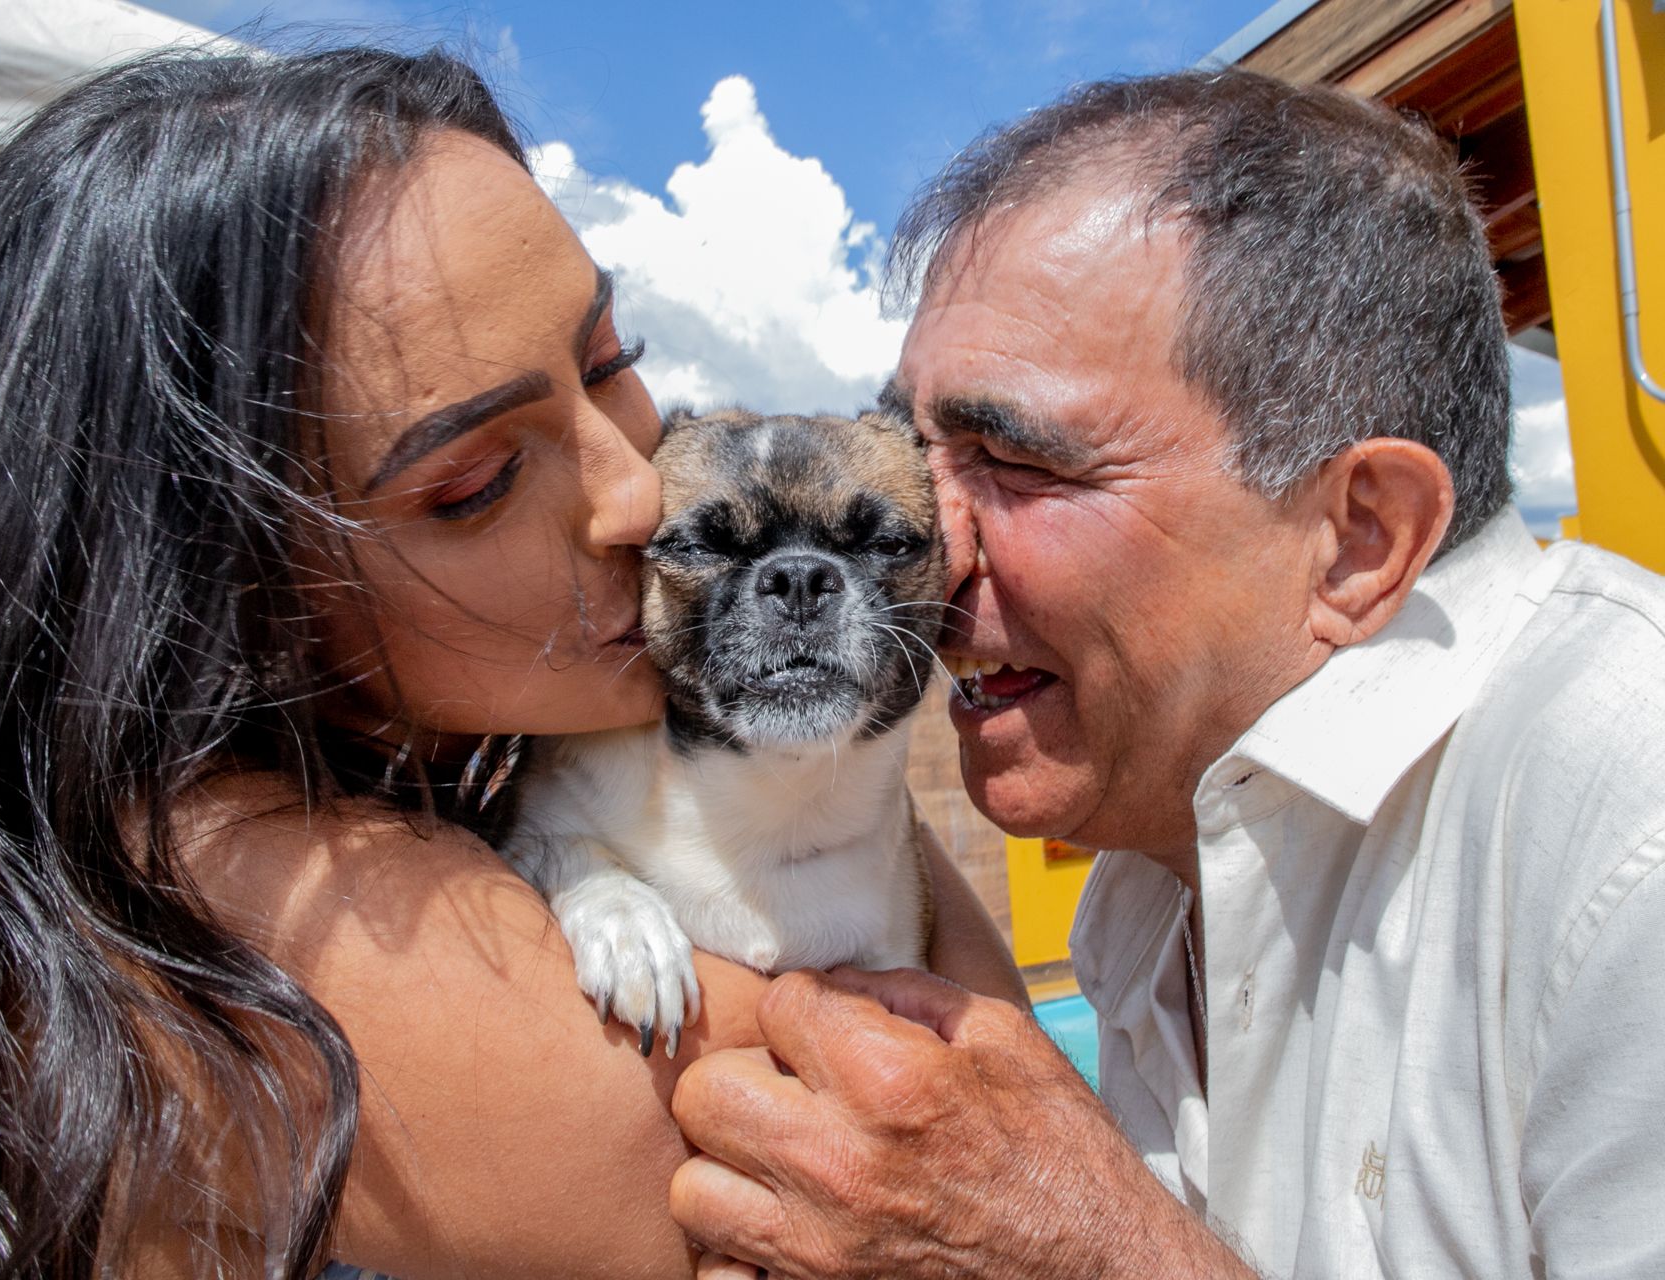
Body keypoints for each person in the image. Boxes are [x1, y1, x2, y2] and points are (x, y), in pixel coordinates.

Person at [0, 46, 1025, 1278]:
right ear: (230, 587)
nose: (639, 493)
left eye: (607, 363)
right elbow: (975, 1122)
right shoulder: (194, 894)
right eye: (472, 484)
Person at [672, 69, 1665, 1278]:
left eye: (1013, 458)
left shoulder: (1628, 820)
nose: (931, 543)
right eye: (921, 457)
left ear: (1357, 537)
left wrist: (1088, 1254)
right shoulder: (1149, 881)